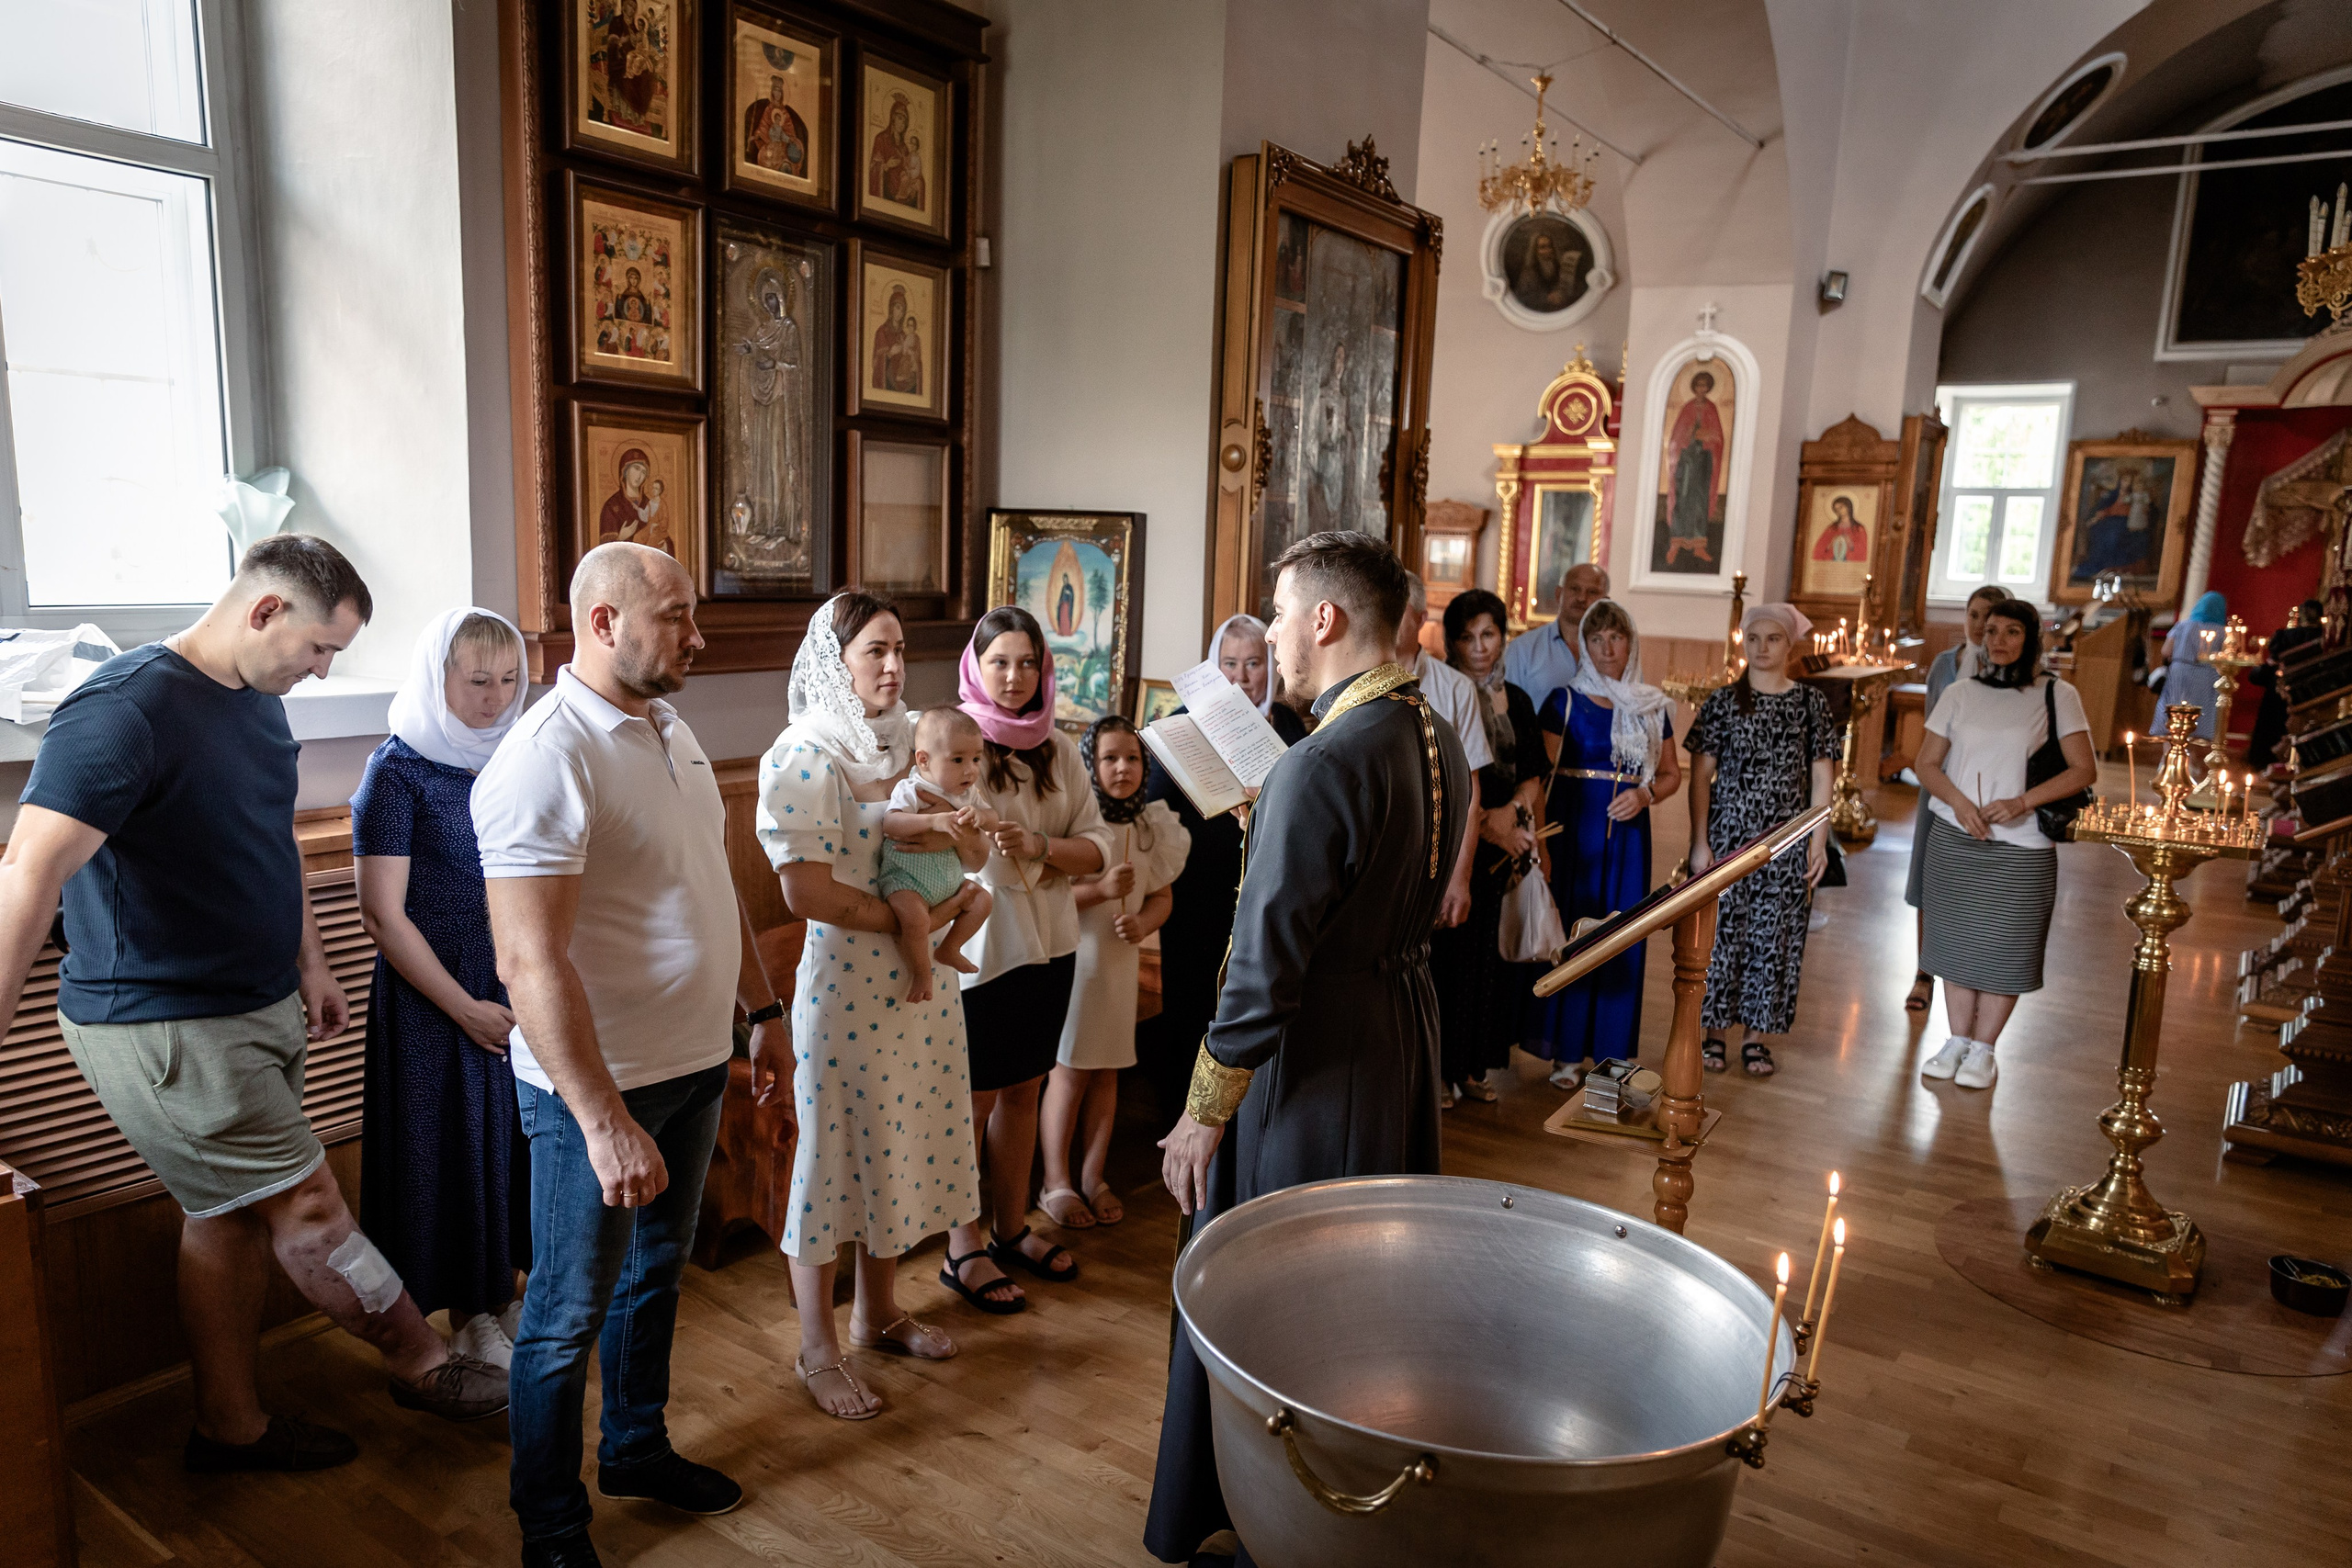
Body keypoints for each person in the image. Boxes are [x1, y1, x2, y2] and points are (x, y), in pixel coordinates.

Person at [0, 536, 503, 1476]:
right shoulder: (125, 708)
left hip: (258, 999)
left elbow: (270, 841)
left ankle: (228, 1426)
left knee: (226, 1211)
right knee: (310, 1203)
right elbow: (26, 873)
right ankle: (421, 1361)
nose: (322, 671)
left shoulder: (259, 703)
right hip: (161, 1018)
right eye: (319, 649)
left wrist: (310, 962)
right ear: (265, 610)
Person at [1147, 530, 1470, 1567]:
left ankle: (1279, 1530)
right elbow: (1363, 893)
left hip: (1316, 1063)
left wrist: (1203, 1111)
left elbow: (1263, 968)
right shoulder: (1427, 730)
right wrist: (1274, 818)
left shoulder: (1323, 759)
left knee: (1282, 1305)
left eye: (1281, 612)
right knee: (1369, 1300)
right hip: (1398, 1036)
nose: (1274, 633)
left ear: (1325, 620)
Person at [476, 543, 788, 1562]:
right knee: (564, 1317)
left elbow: (713, 886)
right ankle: (550, 1526)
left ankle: (636, 1447)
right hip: (596, 1094)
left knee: (659, 1274)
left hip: (695, 1067)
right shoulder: (544, 757)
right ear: (603, 623)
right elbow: (528, 965)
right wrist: (602, 1121)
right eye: (677, 616)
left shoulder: (667, 724)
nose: (698, 636)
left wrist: (762, 1012)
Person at [756, 591, 983, 1418]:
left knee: (902, 1138)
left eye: (898, 650)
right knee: (832, 1154)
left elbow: (963, 837)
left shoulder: (918, 739)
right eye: (873, 652)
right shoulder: (805, 754)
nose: (892, 667)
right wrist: (908, 918)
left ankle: (878, 1311)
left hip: (920, 986)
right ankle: (816, 1344)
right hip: (848, 983)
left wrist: (965, 852)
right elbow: (805, 890)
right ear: (835, 663)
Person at [354, 608, 532, 1371]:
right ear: (439, 677)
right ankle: (467, 1313)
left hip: (514, 980)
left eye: (508, 679)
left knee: (512, 1143)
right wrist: (462, 1008)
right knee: (451, 1148)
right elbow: (381, 916)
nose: (495, 698)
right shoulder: (396, 771)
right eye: (476, 681)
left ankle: (508, 1290)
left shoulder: (518, 753)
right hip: (435, 997)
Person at [945, 608, 1114, 1304]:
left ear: (1045, 671)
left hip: (1050, 948)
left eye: (1026, 664)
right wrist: (1004, 846)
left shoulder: (1060, 749)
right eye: (999, 663)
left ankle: (1010, 1229)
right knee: (972, 1100)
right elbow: (953, 847)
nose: (1013, 678)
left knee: (1024, 1090)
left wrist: (1041, 847)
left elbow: (1098, 846)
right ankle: (961, 1247)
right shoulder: (954, 742)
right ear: (975, 669)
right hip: (983, 954)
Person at [1913, 599, 2099, 1092]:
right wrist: (1960, 804)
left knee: (2006, 945)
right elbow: (1926, 763)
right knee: (1954, 940)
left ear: (2031, 638)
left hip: (2023, 843)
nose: (1998, 641)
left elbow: (2083, 769)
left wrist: (2021, 802)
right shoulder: (1958, 692)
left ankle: (1985, 1049)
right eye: (1991, 630)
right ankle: (1955, 1040)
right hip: (1956, 836)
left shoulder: (2058, 694)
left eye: (2011, 632)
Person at [1136, 615, 1307, 1121]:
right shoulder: (1184, 721)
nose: (1241, 676)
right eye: (1228, 663)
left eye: (1253, 663)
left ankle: (1245, 1109)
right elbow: (1157, 805)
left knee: (1249, 988)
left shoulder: (1289, 722)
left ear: (1269, 668)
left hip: (1261, 879)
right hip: (1196, 884)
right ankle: (1183, 1108)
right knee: (1192, 993)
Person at [1038, 716, 1190, 1230]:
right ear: (1090, 765)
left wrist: (1145, 919)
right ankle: (1054, 1181)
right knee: (1071, 1071)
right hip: (1079, 964)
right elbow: (1050, 895)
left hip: (1119, 967)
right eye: (1109, 758)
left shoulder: (1151, 827)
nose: (1122, 768)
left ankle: (1092, 1174)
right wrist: (1100, 891)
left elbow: (1162, 896)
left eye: (1132, 758)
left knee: (1108, 1070)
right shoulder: (1081, 828)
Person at [1524, 600, 1680, 1087]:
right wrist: (1541, 844)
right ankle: (1567, 1054)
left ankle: (1612, 1053)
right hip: (1576, 837)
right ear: (1584, 646)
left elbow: (1673, 775)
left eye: (1616, 637)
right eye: (1597, 639)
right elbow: (1539, 780)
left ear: (1630, 642)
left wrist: (1645, 794)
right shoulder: (1562, 701)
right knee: (1577, 932)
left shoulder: (1652, 705)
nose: (1608, 648)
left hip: (1630, 837)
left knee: (1623, 934)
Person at [1684, 604, 1839, 1078]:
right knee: (1722, 934)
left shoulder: (1811, 704)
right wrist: (1698, 841)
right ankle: (1714, 1035)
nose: (1762, 648)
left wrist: (1818, 841)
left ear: (1789, 645)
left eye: (1773, 639)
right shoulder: (1722, 703)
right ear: (1743, 642)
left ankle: (1756, 1036)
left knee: (1774, 937)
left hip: (1786, 842)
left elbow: (1821, 778)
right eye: (1754, 638)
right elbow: (1700, 778)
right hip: (1727, 839)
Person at [1428, 589, 1551, 1104]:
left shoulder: (1516, 699)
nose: (1479, 646)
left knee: (1489, 964)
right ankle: (1439, 1072)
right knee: (1449, 961)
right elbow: (1447, 780)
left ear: (1503, 637)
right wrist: (1484, 822)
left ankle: (1475, 1067)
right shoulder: (1444, 695)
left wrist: (1511, 816)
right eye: (1466, 636)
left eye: (1489, 634)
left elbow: (1534, 774)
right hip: (1459, 843)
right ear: (1452, 644)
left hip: (1503, 847)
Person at [1902, 585, 2009, 1014]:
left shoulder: (2013, 671)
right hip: (1941, 785)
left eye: (1992, 618)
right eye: (1975, 614)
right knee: (1927, 879)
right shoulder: (1945, 666)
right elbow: (1933, 734)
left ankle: (1973, 975)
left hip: (1992, 789)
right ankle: (1923, 972)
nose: (1981, 625)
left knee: (1982, 886)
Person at [1397, 573, 1494, 1000]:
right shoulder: (1353, 678)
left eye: (1395, 609)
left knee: (1430, 978)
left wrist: (1460, 877)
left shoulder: (1455, 688)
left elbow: (1471, 797)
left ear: (1419, 618)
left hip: (1435, 853)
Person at [876, 706, 994, 1001]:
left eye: (976, 759)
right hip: (907, 880)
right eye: (958, 760)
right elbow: (891, 822)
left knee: (983, 899)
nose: (970, 769)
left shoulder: (967, 795)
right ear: (924, 760)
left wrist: (981, 819)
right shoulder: (913, 788)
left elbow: (993, 817)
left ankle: (950, 947)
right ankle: (921, 972)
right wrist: (933, 821)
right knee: (915, 922)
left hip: (949, 880)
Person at [1501, 560, 1609, 711]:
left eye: (1592, 592)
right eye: (1575, 589)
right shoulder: (1523, 649)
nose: (1582, 598)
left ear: (1605, 601)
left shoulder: (1615, 653)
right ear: (1559, 594)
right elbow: (1506, 709)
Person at [2149, 590, 2229, 740]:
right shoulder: (2223, 632)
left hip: (2180, 672)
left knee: (2173, 713)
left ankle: (2168, 756)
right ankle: (2192, 759)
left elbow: (2165, 650)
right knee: (2201, 716)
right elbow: (2225, 658)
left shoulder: (2183, 626)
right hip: (2207, 675)